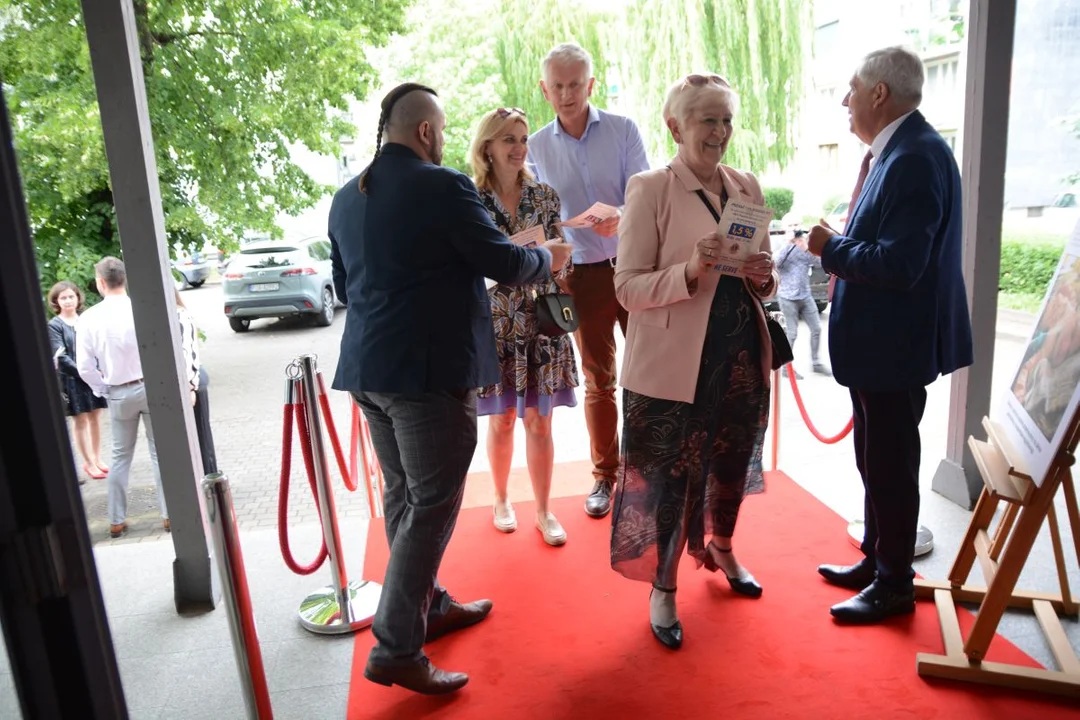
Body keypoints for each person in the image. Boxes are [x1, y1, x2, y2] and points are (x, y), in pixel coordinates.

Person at [328, 83, 572, 695]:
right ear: (427, 133)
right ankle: (396, 645)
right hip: (429, 374)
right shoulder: (443, 186)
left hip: (368, 371)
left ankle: (428, 605)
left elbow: (343, 286)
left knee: (406, 498)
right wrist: (553, 259)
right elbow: (506, 264)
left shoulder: (343, 197)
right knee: (434, 501)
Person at [609, 74, 778, 650]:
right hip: (672, 368)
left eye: (726, 119)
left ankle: (724, 549)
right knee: (669, 482)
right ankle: (663, 587)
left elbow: (767, 276)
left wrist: (764, 276)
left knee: (730, 464)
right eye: (708, 119)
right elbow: (627, 288)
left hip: (738, 359)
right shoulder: (650, 187)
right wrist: (688, 270)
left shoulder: (746, 184)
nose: (720, 131)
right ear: (675, 126)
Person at [808, 46, 973, 624]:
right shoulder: (899, 151)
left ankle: (895, 584)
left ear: (879, 93)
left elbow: (900, 264)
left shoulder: (914, 157)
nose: (845, 102)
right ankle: (878, 560)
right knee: (874, 459)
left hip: (894, 347)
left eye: (851, 89)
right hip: (879, 347)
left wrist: (829, 247)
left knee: (891, 464)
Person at [528, 42, 650, 518]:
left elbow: (645, 194)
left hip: (634, 264)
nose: (566, 93)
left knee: (650, 375)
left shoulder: (622, 130)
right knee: (600, 380)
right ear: (544, 89)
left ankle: (650, 470)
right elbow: (537, 218)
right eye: (557, 85)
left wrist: (621, 215)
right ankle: (606, 476)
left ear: (591, 84)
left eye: (575, 83)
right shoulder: (534, 146)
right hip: (582, 275)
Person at [469, 107, 580, 546]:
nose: (519, 147)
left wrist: (561, 254)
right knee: (504, 419)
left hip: (540, 321)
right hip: (495, 320)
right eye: (508, 139)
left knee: (541, 421)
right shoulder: (471, 200)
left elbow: (558, 261)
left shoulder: (545, 197)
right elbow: (466, 265)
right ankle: (500, 499)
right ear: (487, 147)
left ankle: (545, 510)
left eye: (523, 138)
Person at [76, 257, 169, 538]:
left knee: (120, 457)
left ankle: (116, 519)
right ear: (124, 280)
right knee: (160, 454)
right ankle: (169, 514)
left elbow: (84, 366)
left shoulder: (89, 317)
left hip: (118, 390)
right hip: (151, 385)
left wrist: (103, 388)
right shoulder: (140, 308)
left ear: (100, 283)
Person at [47, 280, 108, 483]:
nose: (67, 300)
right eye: (63, 297)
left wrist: (97, 370)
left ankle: (98, 458)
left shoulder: (85, 319)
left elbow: (97, 346)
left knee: (95, 418)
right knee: (80, 420)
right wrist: (84, 372)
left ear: (77, 297)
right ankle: (88, 462)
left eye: (70, 296)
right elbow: (61, 357)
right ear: (56, 301)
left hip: (92, 376)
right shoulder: (54, 325)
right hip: (72, 379)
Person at [775, 230, 830, 378]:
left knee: (817, 328)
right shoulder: (785, 247)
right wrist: (789, 244)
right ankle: (786, 368)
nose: (799, 240)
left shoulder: (805, 251)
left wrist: (807, 247)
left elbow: (819, 263)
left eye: (801, 238)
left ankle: (816, 363)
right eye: (797, 238)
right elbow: (776, 263)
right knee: (792, 333)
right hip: (787, 296)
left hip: (805, 295)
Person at [175, 288, 218, 475]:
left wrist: (190, 386)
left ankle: (210, 478)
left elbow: (188, 352)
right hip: (181, 382)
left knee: (201, 436)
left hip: (191, 381)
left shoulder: (180, 315)